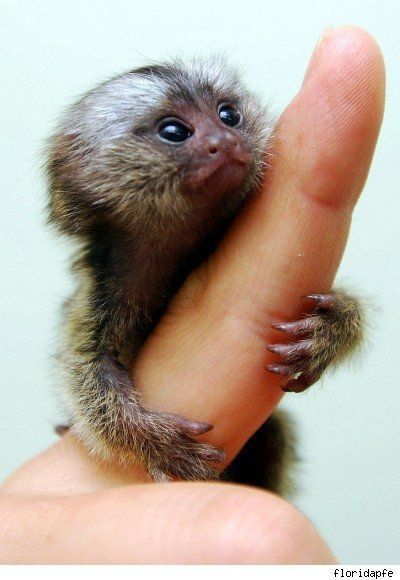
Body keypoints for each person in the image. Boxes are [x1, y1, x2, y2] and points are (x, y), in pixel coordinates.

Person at [0, 26, 385, 564]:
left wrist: (336, 324)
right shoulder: (107, 280)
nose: (220, 139)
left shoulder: (254, 230)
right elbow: (88, 368)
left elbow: (318, 305)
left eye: (228, 115)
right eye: (175, 131)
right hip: (144, 483)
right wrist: (135, 430)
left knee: (270, 452)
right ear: (88, 177)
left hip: (245, 452)